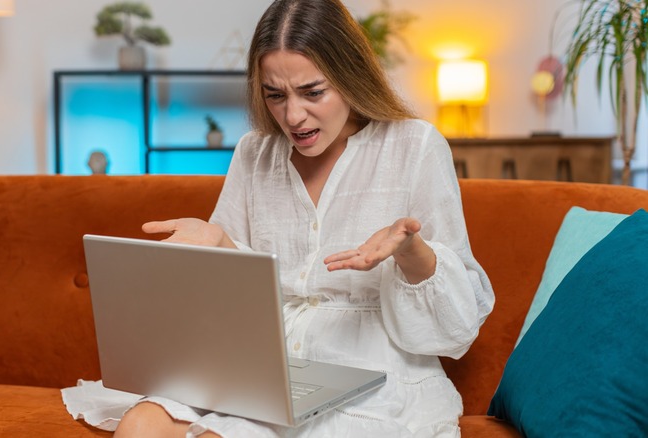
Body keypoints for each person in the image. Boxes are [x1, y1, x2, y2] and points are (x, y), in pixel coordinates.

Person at [92, 0, 495, 436]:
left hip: (370, 374)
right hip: (262, 369)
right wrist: (218, 246)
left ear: (350, 76)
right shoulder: (253, 152)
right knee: (140, 424)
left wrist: (411, 252)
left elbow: (457, 331)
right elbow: (230, 308)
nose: (293, 116)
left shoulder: (415, 146)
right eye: (275, 95)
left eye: (312, 92)